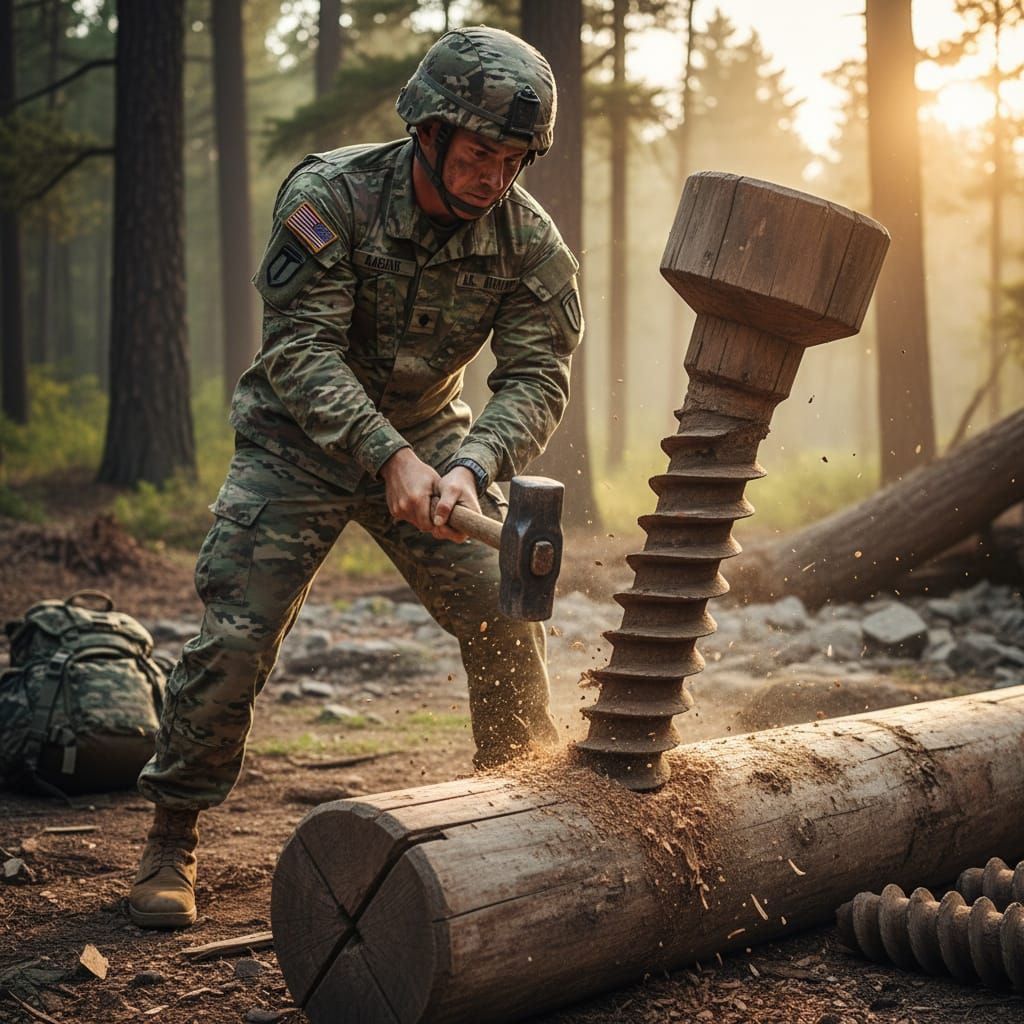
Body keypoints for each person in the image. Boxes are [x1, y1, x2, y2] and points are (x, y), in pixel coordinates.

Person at [127, 26, 584, 929]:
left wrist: (472, 463)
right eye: (480, 151)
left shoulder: (529, 241)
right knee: (236, 637)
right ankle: (172, 835)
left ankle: (524, 819)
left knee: (502, 618)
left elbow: (537, 375)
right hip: (294, 442)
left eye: (513, 158)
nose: (494, 175)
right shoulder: (331, 195)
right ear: (430, 130)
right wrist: (389, 457)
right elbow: (299, 349)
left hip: (433, 441)